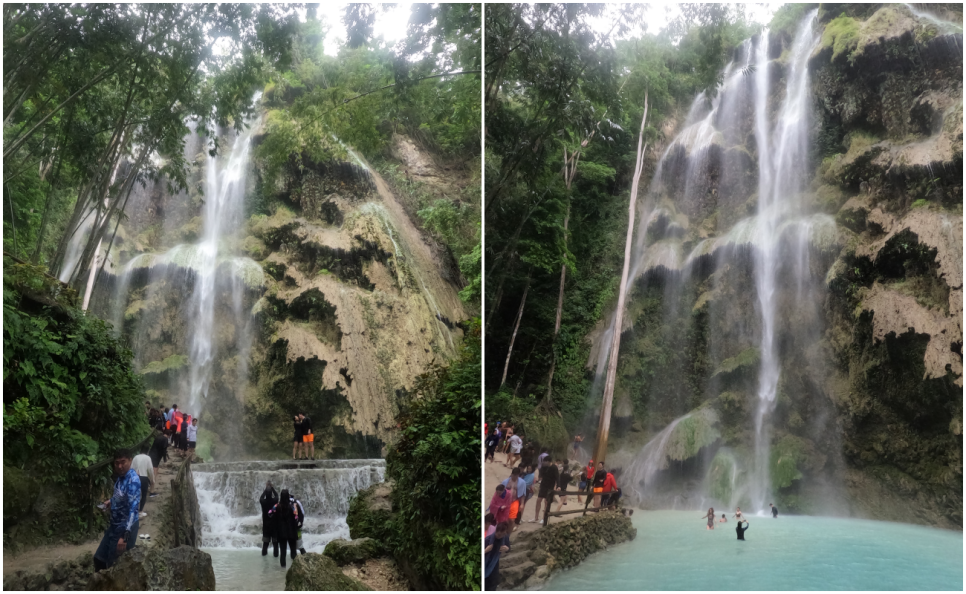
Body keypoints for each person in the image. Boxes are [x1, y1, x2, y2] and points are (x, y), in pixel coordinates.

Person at [93, 449, 140, 571]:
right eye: (117, 463)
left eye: (123, 462)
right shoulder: (121, 478)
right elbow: (121, 496)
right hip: (114, 526)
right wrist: (111, 501)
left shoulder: (133, 480)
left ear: (130, 460)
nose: (120, 466)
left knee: (115, 566)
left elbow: (133, 509)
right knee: (99, 559)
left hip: (125, 528)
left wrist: (125, 537)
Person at [268, 488, 302, 567]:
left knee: (283, 553)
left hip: (281, 532)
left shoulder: (276, 506)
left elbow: (269, 513)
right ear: (287, 496)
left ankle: (282, 570)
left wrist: (275, 519)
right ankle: (295, 569)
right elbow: (297, 518)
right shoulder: (292, 506)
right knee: (293, 552)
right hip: (291, 532)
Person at [483, 521, 511, 591]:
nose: (501, 536)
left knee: (493, 583)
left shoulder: (505, 537)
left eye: (503, 534)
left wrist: (507, 549)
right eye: (499, 535)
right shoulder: (487, 540)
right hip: (485, 563)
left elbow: (508, 548)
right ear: (496, 531)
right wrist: (485, 550)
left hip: (494, 563)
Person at [532, 456, 559, 523]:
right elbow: (540, 474)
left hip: (550, 487)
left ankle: (544, 518)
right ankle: (536, 517)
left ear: (549, 462)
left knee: (546, 502)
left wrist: (558, 486)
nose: (544, 463)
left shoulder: (554, 467)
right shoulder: (543, 467)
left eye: (545, 461)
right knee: (538, 500)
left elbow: (557, 477)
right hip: (543, 485)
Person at [501, 467, 527, 532]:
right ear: (511, 474)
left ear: (518, 475)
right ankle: (504, 531)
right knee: (504, 519)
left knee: (511, 520)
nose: (514, 476)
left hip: (515, 501)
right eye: (513, 475)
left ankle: (508, 533)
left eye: (516, 475)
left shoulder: (522, 483)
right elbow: (500, 492)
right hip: (505, 501)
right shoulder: (505, 481)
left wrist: (522, 504)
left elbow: (523, 494)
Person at [131, 445, 154, 514]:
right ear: (147, 451)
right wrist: (152, 479)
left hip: (135, 477)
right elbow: (150, 470)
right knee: (144, 495)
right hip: (144, 477)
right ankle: (140, 511)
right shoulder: (148, 458)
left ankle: (133, 510)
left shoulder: (135, 457)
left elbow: (131, 468)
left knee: (135, 495)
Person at [259, 482, 279, 557]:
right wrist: (272, 488)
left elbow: (261, 497)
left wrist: (266, 488)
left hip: (266, 527)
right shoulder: (275, 501)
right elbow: (277, 495)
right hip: (274, 526)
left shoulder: (263, 502)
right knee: (275, 544)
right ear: (271, 494)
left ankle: (264, 558)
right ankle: (276, 557)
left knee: (265, 544)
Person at [148, 431, 168, 495]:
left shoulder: (157, 437)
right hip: (156, 457)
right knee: (154, 473)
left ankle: (149, 486)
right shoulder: (165, 439)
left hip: (151, 455)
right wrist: (165, 459)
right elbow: (164, 449)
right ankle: (152, 491)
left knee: (151, 471)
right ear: (169, 435)